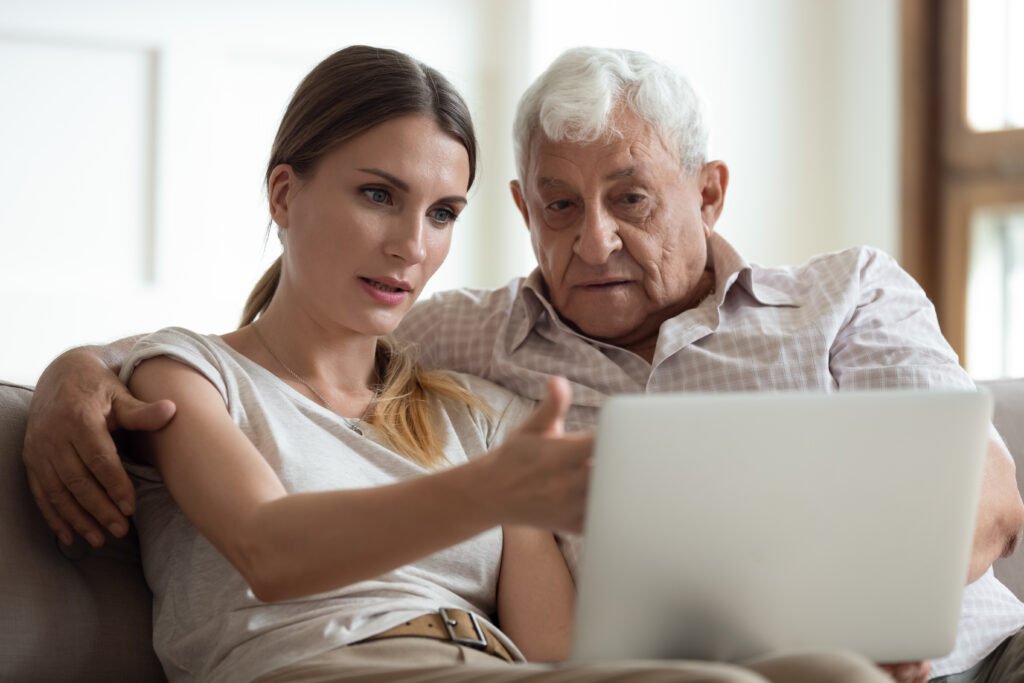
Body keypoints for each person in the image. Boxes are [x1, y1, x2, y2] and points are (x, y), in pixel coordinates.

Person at [19, 46, 982, 682]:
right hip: (332, 664)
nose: (410, 244)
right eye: (376, 194)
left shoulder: (466, 397)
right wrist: (74, 366)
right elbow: (271, 550)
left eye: (441, 213)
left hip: (497, 668)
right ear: (285, 192)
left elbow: (562, 656)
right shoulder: (185, 380)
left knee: (832, 675)